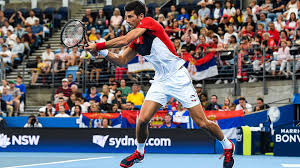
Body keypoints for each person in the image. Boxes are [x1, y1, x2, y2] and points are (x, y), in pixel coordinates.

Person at [86, 1, 234, 168]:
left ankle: (227, 145)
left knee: (202, 123)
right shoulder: (137, 41)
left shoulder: (149, 22)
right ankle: (139, 152)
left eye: (130, 17)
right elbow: (121, 60)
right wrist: (102, 52)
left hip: (178, 77)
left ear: (141, 16)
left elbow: (125, 39)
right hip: (161, 80)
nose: (126, 20)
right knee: (142, 120)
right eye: (125, 17)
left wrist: (98, 45)